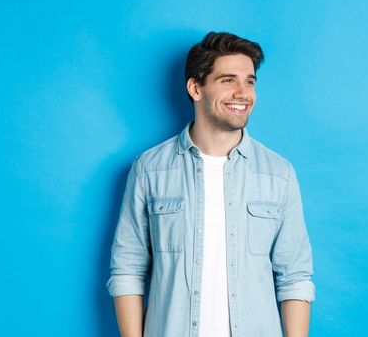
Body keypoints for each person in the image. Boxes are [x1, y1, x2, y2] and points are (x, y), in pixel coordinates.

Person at [107, 31, 314, 337]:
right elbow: (127, 270)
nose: (243, 92)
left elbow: (294, 276)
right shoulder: (150, 169)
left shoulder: (278, 174)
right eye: (228, 80)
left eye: (250, 81)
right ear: (196, 88)